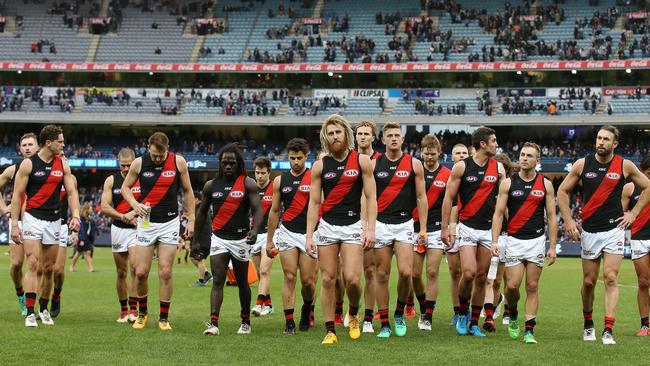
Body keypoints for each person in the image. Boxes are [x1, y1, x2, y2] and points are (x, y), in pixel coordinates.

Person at [558, 125, 650, 345]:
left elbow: (648, 187)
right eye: (599, 138)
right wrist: (569, 220)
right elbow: (562, 191)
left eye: (606, 139)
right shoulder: (582, 164)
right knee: (589, 282)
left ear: (614, 144)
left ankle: (608, 329)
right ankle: (588, 322)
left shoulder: (625, 165)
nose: (600, 142)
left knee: (610, 278)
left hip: (614, 231)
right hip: (589, 231)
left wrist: (634, 213)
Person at [305, 114, 377, 345]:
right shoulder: (320, 166)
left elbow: (371, 196)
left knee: (353, 280)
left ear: (347, 133)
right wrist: (309, 235)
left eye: (338, 132)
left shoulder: (362, 161)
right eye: (331, 133)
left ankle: (353, 313)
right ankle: (330, 330)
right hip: (327, 227)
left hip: (353, 226)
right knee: (327, 279)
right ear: (326, 137)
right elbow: (314, 203)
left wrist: (370, 228)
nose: (335, 136)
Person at [121, 131, 195, 330]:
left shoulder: (178, 162)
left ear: (168, 149)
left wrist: (192, 218)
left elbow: (188, 191)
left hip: (170, 222)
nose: (157, 159)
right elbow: (125, 188)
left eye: (161, 156)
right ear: (148, 148)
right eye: (154, 155)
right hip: (146, 222)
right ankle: (142, 314)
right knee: (141, 271)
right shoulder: (138, 163)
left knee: (165, 271)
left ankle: (163, 318)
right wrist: (135, 204)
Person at [10, 125, 81, 327]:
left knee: (48, 268)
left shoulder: (63, 165)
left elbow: (72, 192)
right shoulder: (28, 165)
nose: (63, 144)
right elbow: (16, 196)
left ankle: (43, 309)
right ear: (48, 142)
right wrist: (15, 224)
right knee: (33, 263)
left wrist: (76, 215)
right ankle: (30, 313)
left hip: (54, 220)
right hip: (33, 218)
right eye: (60, 141)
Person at [441, 127, 505, 337]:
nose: (496, 144)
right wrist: (445, 227)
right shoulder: (461, 167)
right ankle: (461, 313)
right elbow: (449, 199)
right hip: (467, 227)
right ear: (483, 144)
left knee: (481, 277)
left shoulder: (499, 169)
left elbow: (503, 203)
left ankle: (474, 323)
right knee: (467, 273)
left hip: (488, 230)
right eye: (493, 141)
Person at [491, 142, 558, 344]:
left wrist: (553, 246)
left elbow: (553, 216)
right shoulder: (508, 184)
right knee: (511, 286)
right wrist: (494, 240)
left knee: (532, 285)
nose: (524, 158)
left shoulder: (545, 184)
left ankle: (529, 330)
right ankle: (512, 313)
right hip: (514, 241)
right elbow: (499, 214)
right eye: (522, 154)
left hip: (536, 241)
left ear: (538, 161)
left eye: (529, 155)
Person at [194, 143, 263, 336]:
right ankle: (214, 323)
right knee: (218, 280)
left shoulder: (247, 183)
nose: (228, 166)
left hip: (241, 240)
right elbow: (201, 214)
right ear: (220, 163)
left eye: (232, 163)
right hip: (219, 239)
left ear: (238, 163)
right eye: (225, 163)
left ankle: (245, 322)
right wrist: (196, 240)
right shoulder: (211, 185)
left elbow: (258, 210)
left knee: (242, 282)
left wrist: (255, 229)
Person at [371, 121, 427, 338]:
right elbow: (367, 198)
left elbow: (421, 197)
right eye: (390, 135)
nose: (394, 138)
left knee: (406, 273)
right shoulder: (374, 165)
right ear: (383, 140)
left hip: (404, 224)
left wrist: (422, 229)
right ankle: (384, 323)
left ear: (402, 140)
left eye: (397, 135)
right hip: (381, 224)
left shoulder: (414, 164)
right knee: (382, 275)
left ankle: (399, 313)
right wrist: (369, 227)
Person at [265, 138, 318, 334]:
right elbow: (274, 210)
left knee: (308, 282)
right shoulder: (280, 181)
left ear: (306, 157)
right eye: (292, 158)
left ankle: (307, 307)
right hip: (287, 232)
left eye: (299, 158)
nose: (295, 162)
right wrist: (269, 240)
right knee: (289, 276)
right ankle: (289, 322)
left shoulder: (314, 177)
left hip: (309, 234)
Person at [411, 134, 451, 331]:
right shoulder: (415, 171)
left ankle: (428, 315)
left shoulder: (447, 174)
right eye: (426, 153)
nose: (429, 157)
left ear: (439, 153)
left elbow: (450, 203)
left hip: (435, 228)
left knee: (432, 272)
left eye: (433, 154)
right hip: (415, 227)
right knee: (415, 275)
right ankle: (422, 303)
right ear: (421, 152)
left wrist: (448, 226)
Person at [0, 132, 38, 316]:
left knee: (35, 264)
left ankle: (36, 306)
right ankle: (20, 294)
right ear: (20, 149)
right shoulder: (12, 170)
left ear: (38, 147)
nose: (28, 148)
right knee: (16, 264)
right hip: (18, 222)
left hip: (39, 221)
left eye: (31, 144)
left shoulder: (42, 169)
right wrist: (3, 207)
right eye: (24, 145)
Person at [100, 147, 140, 322]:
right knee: (122, 271)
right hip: (118, 229)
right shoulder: (111, 180)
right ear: (118, 164)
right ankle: (124, 310)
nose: (125, 169)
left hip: (138, 229)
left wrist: (135, 215)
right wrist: (124, 216)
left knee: (136, 269)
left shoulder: (142, 179)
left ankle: (134, 309)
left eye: (129, 165)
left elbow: (150, 201)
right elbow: (105, 206)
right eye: (123, 165)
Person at [482, 153, 516, 332]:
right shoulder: (484, 188)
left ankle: (505, 310)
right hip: (487, 235)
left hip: (506, 236)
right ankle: (490, 310)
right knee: (487, 277)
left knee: (505, 280)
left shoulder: (511, 188)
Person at [355, 120, 382, 332]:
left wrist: (368, 225)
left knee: (370, 271)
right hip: (347, 222)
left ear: (373, 137)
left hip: (372, 222)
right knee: (348, 274)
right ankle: (349, 311)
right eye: (359, 133)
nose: (362, 136)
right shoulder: (348, 159)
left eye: (366, 134)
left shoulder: (379, 161)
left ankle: (367, 318)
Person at [622, 155, 650, 337]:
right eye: (648, 173)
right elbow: (621, 213)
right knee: (643, 281)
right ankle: (645, 325)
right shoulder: (630, 187)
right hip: (639, 237)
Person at [50, 162, 78, 318]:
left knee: (58, 270)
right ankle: (41, 305)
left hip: (61, 225)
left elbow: (74, 202)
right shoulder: (42, 173)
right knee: (42, 268)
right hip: (43, 223)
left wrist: (74, 230)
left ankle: (56, 296)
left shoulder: (70, 178)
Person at [446, 143, 469, 326]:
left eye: (464, 153)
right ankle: (457, 311)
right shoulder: (448, 177)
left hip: (470, 226)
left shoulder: (474, 175)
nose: (461, 156)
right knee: (455, 272)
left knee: (470, 272)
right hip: (452, 227)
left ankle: (467, 309)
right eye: (457, 153)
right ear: (452, 157)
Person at [251, 157, 275, 316]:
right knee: (260, 273)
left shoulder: (275, 187)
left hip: (271, 235)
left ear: (269, 173)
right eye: (257, 173)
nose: (259, 176)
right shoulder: (250, 188)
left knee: (265, 270)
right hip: (255, 234)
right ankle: (269, 305)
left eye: (263, 173)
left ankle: (259, 305)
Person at [70, 205, 96, 272]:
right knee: (78, 253)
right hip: (82, 239)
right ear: (86, 210)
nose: (91, 210)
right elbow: (81, 230)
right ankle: (72, 267)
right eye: (90, 209)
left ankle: (90, 268)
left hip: (87, 239)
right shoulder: (81, 219)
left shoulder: (88, 219)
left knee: (87, 253)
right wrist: (81, 239)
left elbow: (91, 228)